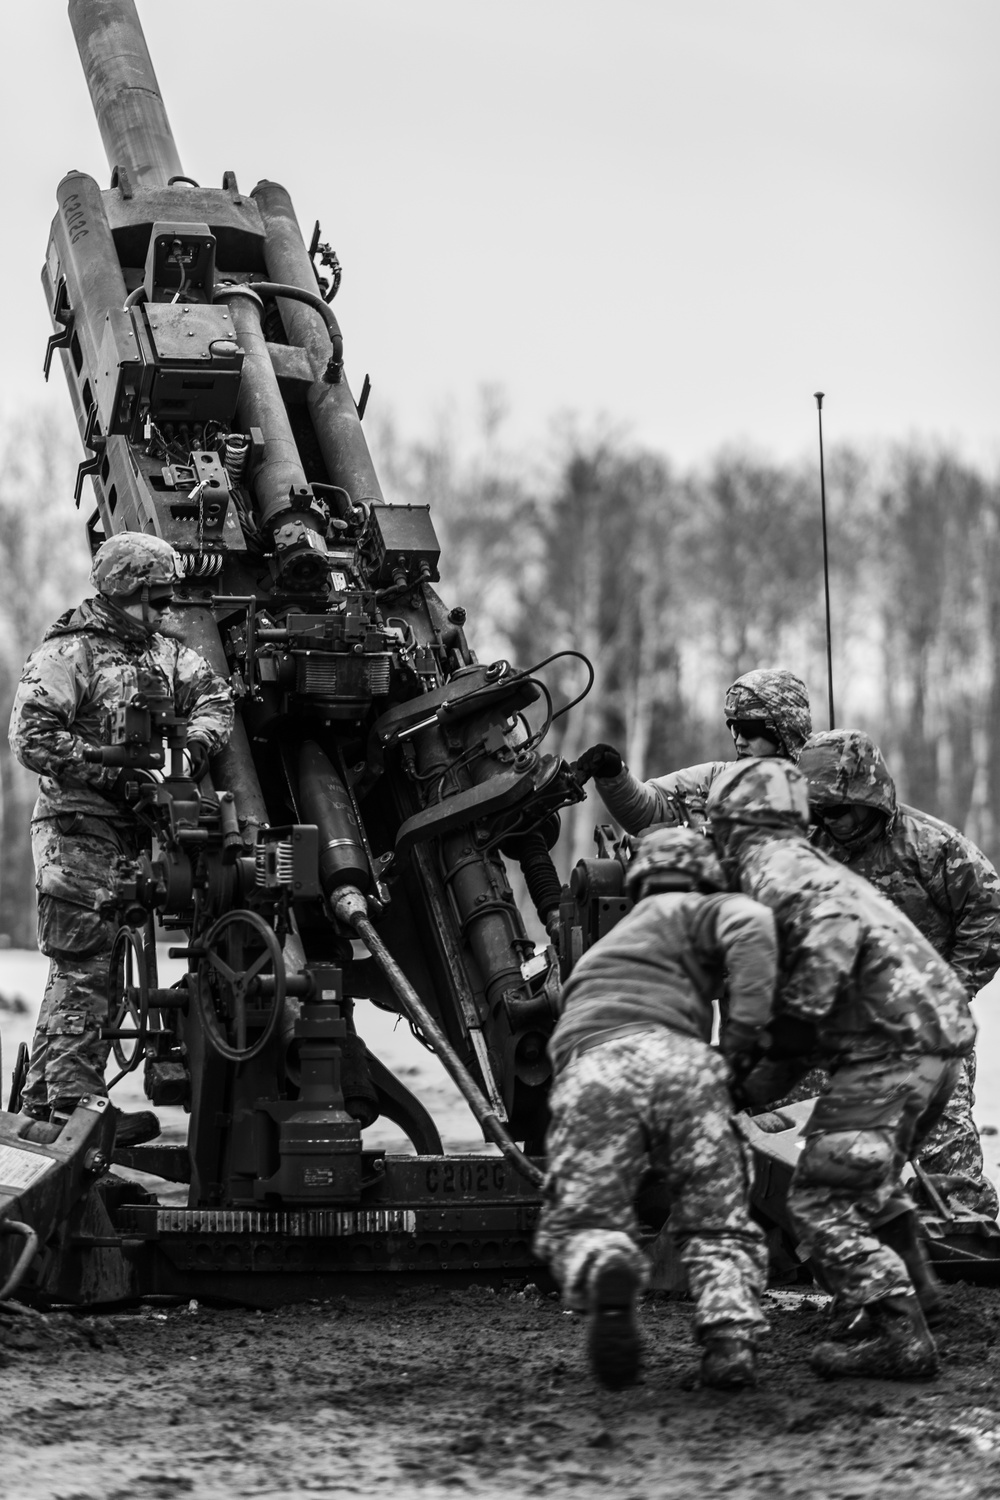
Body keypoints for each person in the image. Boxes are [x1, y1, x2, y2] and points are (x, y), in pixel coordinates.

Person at [705, 758, 976, 1380]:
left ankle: (901, 1337)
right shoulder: (815, 861)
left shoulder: (772, 865)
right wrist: (761, 1073)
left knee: (820, 1201)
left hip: (887, 1051)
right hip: (934, 1044)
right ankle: (922, 1293)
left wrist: (784, 1030)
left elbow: (827, 935)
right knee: (866, 1182)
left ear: (731, 820)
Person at [9, 533, 234, 1146]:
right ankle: (78, 1109)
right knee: (85, 966)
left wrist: (190, 748)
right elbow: (31, 736)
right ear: (122, 592)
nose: (165, 612)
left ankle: (44, 1111)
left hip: (125, 836)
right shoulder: (68, 654)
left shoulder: (164, 653)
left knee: (92, 967)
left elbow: (215, 698)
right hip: (76, 829)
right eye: (155, 600)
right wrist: (113, 771)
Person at [533, 826, 776, 1392]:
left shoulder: (605, 949)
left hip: (591, 1069)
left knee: (588, 1215)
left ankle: (606, 1267)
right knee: (716, 1217)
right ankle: (730, 1342)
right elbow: (753, 926)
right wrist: (742, 1048)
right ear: (704, 875)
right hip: (680, 1060)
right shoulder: (700, 908)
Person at [799, 728, 1000, 1218]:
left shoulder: (931, 846)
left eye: (837, 810)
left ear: (868, 798)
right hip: (833, 1022)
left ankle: (960, 1231)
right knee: (789, 1128)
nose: (829, 822)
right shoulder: (806, 848)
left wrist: (952, 986)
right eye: (816, 811)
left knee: (939, 1143)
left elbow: (989, 910)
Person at [575, 667, 811, 834]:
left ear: (783, 733)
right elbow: (651, 808)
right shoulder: (717, 780)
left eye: (749, 730)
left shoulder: (821, 793)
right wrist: (613, 774)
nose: (739, 742)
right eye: (734, 730)